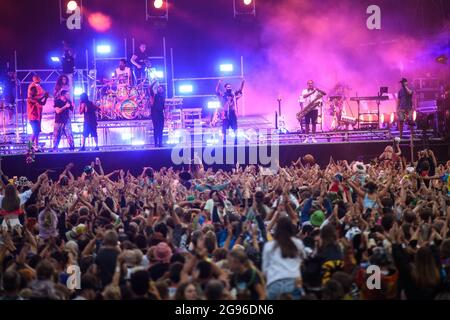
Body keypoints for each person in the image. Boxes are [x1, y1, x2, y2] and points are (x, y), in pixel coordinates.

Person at [262, 216, 306, 300]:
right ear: (291, 228)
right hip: (293, 283)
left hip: (273, 285)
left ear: (277, 229)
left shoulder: (269, 246)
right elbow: (303, 261)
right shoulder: (298, 243)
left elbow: (265, 271)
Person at [215, 79, 245, 145]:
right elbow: (217, 90)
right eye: (228, 87)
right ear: (225, 88)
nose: (229, 88)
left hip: (232, 113)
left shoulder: (233, 94)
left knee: (235, 127)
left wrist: (242, 82)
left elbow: (240, 90)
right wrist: (219, 83)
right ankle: (224, 141)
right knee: (224, 127)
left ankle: (236, 140)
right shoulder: (223, 94)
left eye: (230, 87)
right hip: (225, 113)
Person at [27, 75, 49, 151]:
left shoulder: (35, 98)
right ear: (31, 91)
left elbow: (42, 103)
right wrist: (44, 96)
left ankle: (35, 147)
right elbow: (38, 101)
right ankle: (29, 146)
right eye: (35, 91)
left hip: (37, 117)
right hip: (32, 117)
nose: (36, 92)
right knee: (35, 132)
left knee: (37, 132)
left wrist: (45, 97)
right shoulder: (30, 99)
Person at [149, 81, 166, 147]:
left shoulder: (163, 96)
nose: (159, 89)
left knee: (161, 128)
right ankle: (156, 143)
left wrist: (166, 114)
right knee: (156, 128)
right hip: (154, 113)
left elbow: (163, 106)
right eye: (158, 88)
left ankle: (160, 143)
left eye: (160, 88)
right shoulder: (154, 95)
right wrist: (155, 81)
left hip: (161, 114)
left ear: (163, 90)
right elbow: (150, 88)